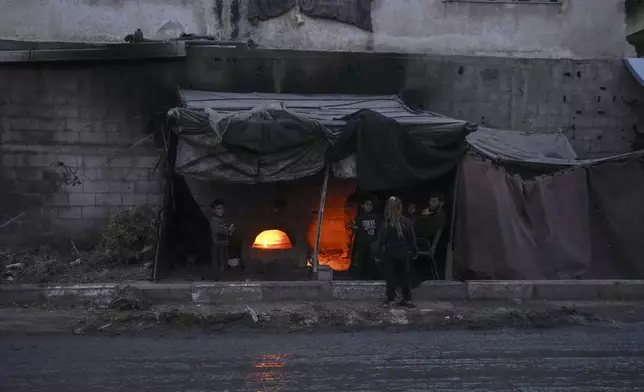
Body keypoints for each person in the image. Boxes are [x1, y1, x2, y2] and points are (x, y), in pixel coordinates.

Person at [374, 196, 418, 308]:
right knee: (405, 276)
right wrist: (414, 252)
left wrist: (378, 255)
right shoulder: (407, 222)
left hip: (389, 253)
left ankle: (390, 300)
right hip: (403, 253)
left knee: (390, 277)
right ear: (401, 208)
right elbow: (412, 238)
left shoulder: (385, 224)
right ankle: (407, 299)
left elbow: (381, 242)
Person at [348, 196, 381, 279]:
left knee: (372, 262)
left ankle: (372, 277)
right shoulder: (359, 217)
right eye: (367, 204)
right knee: (361, 261)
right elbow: (355, 229)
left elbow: (380, 230)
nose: (369, 207)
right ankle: (360, 277)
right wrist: (362, 230)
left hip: (373, 243)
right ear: (362, 205)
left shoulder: (376, 217)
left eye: (370, 205)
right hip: (362, 244)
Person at [210, 199, 234, 280]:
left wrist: (230, 230)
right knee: (217, 262)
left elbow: (226, 230)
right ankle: (217, 277)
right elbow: (217, 231)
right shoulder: (214, 221)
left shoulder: (224, 220)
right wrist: (228, 230)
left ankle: (223, 276)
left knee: (224, 260)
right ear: (213, 210)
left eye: (222, 208)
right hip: (217, 244)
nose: (221, 210)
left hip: (224, 244)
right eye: (218, 209)